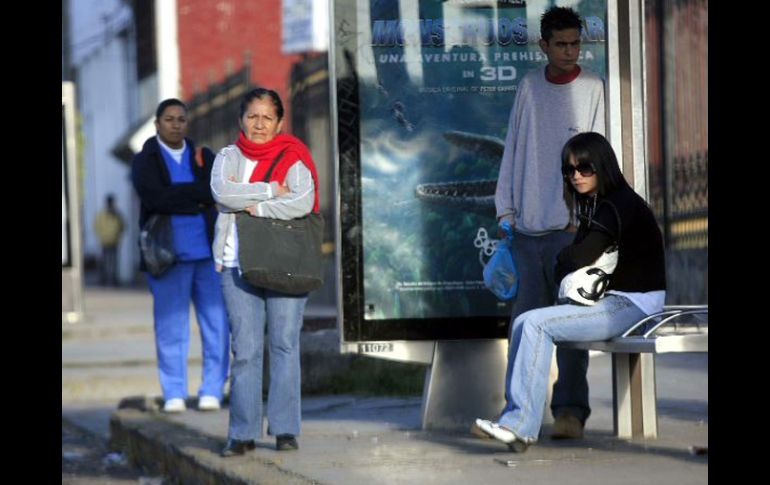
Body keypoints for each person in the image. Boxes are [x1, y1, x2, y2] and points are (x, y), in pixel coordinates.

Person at [476, 131, 666, 451]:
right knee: (524, 321)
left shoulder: (616, 205)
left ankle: (520, 425)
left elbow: (577, 256)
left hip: (632, 305)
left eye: (585, 168)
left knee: (536, 323)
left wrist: (566, 256)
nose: (576, 176)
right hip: (616, 302)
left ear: (602, 166)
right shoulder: (599, 205)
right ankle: (517, 418)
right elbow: (575, 257)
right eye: (570, 170)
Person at [491, 5, 606, 440]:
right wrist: (507, 210)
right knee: (523, 327)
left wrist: (589, 222)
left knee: (573, 323)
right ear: (544, 46)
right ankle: (517, 414)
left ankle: (571, 411)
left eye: (576, 43)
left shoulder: (594, 87)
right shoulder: (529, 88)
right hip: (526, 230)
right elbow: (514, 148)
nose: (570, 51)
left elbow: (601, 160)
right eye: (561, 44)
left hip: (572, 230)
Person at [209, 88, 321, 455]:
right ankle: (242, 434)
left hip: (285, 266)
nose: (259, 124)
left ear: (279, 122)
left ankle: (286, 430)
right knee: (245, 350)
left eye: (266, 117)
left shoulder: (294, 157)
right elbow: (223, 194)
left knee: (284, 346)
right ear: (241, 119)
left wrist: (258, 208)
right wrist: (271, 190)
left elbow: (302, 201)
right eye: (252, 116)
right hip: (236, 266)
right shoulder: (227, 157)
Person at [131, 98, 230, 414]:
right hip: (167, 257)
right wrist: (194, 197)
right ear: (158, 124)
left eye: (181, 119)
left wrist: (180, 196)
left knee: (217, 324)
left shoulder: (203, 157)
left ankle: (212, 389)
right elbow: (153, 197)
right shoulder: (145, 159)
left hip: (207, 255)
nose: (176, 124)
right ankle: (174, 392)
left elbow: (213, 192)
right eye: (169, 119)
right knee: (171, 327)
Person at [94, 194, 124, 286]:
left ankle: (114, 279)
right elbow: (97, 226)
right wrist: (102, 235)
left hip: (114, 242)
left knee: (114, 262)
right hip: (104, 241)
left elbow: (122, 226)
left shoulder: (117, 215)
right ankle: (103, 279)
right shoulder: (102, 215)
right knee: (104, 261)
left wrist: (118, 236)